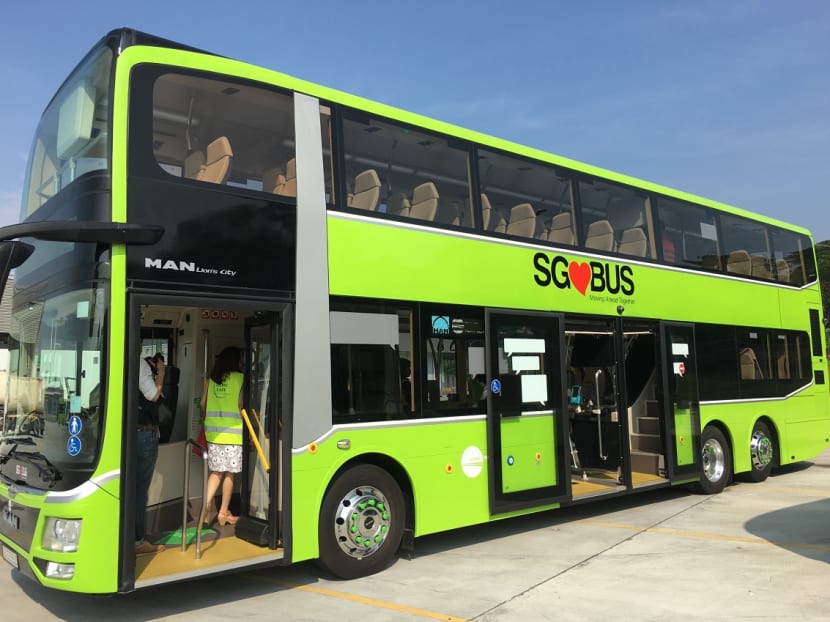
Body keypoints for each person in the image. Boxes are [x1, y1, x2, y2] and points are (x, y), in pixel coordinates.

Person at [200, 346, 244, 526]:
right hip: (233, 434)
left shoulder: (212, 379)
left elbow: (203, 404)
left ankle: (206, 503)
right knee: (230, 473)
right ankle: (223, 512)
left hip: (213, 433)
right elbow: (241, 403)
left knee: (216, 471)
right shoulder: (240, 378)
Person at [136, 351, 165, 555]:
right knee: (139, 491)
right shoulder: (140, 365)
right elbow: (153, 395)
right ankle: (138, 541)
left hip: (129, 432)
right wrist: (161, 374)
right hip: (145, 433)